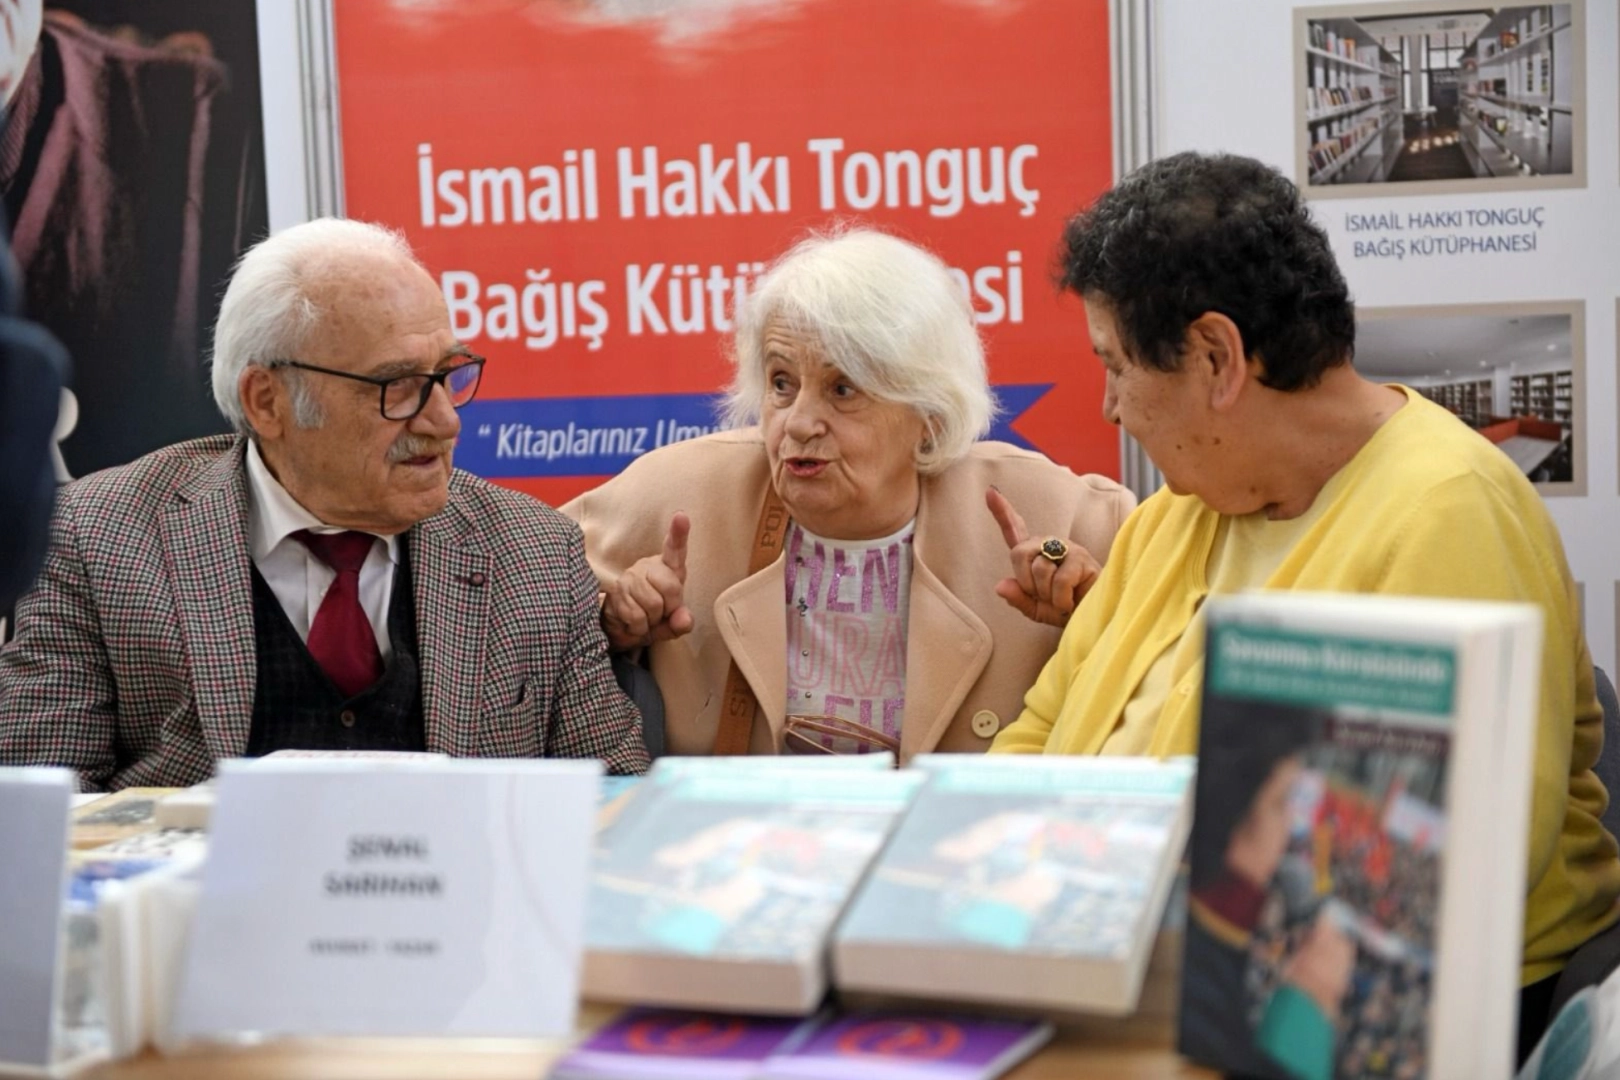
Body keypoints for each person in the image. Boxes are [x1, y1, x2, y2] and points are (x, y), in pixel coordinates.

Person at [989, 151, 1620, 1057]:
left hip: (1374, 1026)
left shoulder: (1448, 512)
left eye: (1117, 366)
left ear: (1216, 358)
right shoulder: (1174, 516)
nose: (1109, 407)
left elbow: (1415, 887)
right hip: (1133, 980)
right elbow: (1040, 733)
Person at [0, 217, 648, 790]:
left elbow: (616, 803)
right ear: (267, 402)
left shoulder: (534, 554)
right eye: (399, 386)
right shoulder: (96, 537)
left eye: (449, 375)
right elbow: (39, 810)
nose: (445, 421)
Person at [563, 227, 1135, 761]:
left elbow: (1164, 680)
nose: (798, 422)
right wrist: (611, 622)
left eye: (843, 389)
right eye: (782, 383)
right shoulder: (684, 491)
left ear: (930, 415)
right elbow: (521, 590)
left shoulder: (1062, 513)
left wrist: (1093, 612)